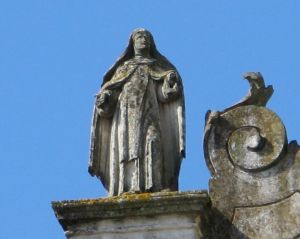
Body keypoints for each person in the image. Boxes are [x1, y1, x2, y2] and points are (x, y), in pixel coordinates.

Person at [89, 29, 185, 196]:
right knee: (128, 147)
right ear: (132, 43)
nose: (143, 40)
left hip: (150, 115)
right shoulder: (124, 68)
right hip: (126, 116)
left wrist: (170, 87)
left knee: (152, 141)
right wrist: (105, 99)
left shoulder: (157, 68)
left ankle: (154, 185)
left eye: (147, 37)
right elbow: (111, 94)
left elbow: (164, 96)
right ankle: (128, 186)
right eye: (139, 37)